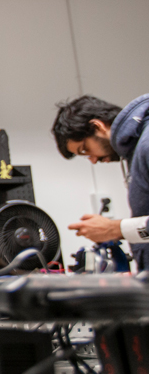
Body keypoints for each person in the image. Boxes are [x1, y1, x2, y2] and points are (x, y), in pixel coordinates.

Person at [52, 94, 149, 270]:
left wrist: (115, 229)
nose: (93, 160)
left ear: (98, 126)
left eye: (85, 149)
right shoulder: (136, 149)